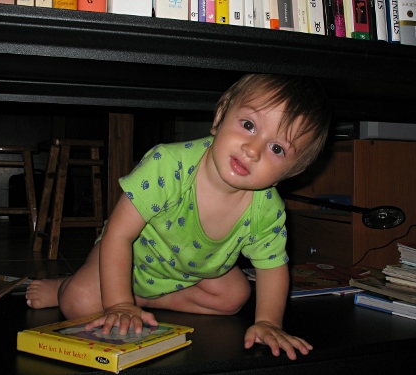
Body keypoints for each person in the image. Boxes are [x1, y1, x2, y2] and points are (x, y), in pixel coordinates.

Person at [26, 73, 331, 360]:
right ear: (221, 113)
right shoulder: (168, 165)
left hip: (186, 275)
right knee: (78, 303)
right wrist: (119, 303)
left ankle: (145, 301)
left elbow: (272, 268)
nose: (253, 150)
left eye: (277, 148)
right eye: (249, 125)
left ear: (292, 171)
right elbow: (119, 235)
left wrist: (268, 322)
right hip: (128, 259)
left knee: (235, 296)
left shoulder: (268, 208)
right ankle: (66, 285)